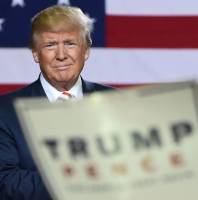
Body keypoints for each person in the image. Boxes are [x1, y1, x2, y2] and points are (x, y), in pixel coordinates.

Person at [0, 5, 113, 200]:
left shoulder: (116, 103)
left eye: (70, 43)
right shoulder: (5, 112)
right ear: (35, 53)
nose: (61, 55)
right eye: (50, 45)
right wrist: (81, 177)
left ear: (86, 50)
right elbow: (5, 181)